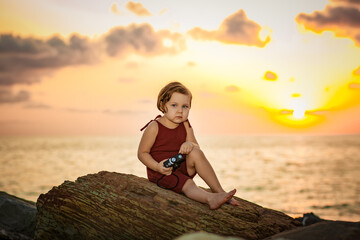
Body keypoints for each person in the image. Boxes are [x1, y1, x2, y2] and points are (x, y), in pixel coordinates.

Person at [138, 82, 239, 209]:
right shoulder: (154, 126)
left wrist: (189, 144)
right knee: (188, 183)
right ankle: (210, 199)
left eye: (185, 106)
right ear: (163, 105)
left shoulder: (185, 124)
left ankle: (218, 191)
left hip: (181, 166)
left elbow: (196, 147)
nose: (180, 110)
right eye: (174, 105)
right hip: (163, 171)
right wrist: (157, 167)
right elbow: (142, 153)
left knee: (196, 152)